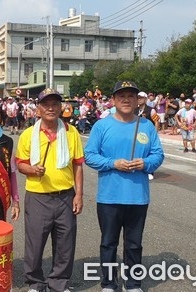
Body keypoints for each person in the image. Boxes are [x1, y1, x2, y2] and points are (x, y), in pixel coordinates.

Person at [84, 81, 164, 292]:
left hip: (137, 197)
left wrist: (145, 163)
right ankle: (109, 283)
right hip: (109, 197)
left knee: (134, 244)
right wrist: (113, 163)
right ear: (113, 100)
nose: (126, 100)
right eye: (121, 96)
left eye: (131, 96)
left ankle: (133, 283)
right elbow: (90, 155)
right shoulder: (102, 125)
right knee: (109, 243)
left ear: (138, 100)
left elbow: (158, 154)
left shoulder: (146, 126)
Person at [15, 88, 84, 292]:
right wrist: (32, 169)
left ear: (61, 107)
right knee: (34, 244)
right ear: (38, 108)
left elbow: (78, 165)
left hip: (65, 196)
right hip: (38, 197)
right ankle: (35, 283)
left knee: (65, 243)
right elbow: (20, 164)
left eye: (55, 104)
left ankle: (59, 283)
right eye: (46, 104)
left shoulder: (71, 133)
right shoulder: (29, 134)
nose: (51, 108)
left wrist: (78, 194)